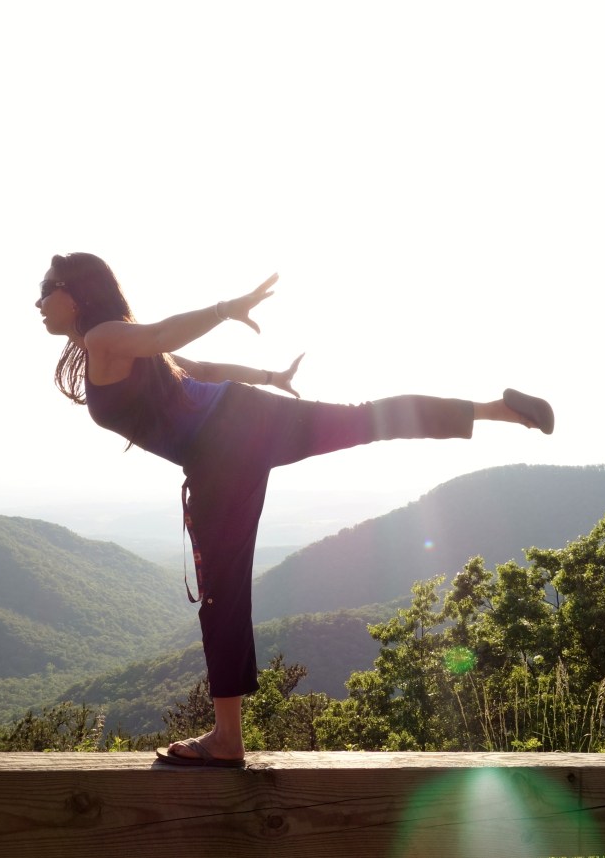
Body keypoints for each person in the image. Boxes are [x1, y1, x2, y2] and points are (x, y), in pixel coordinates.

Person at [36, 252, 554, 767]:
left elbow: (161, 337)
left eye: (46, 288)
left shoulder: (105, 337)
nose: (38, 302)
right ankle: (497, 410)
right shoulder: (112, 345)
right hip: (249, 416)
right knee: (366, 419)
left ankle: (227, 738)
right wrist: (270, 376)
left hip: (221, 453)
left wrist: (222, 309)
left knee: (222, 593)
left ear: (74, 292)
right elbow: (203, 368)